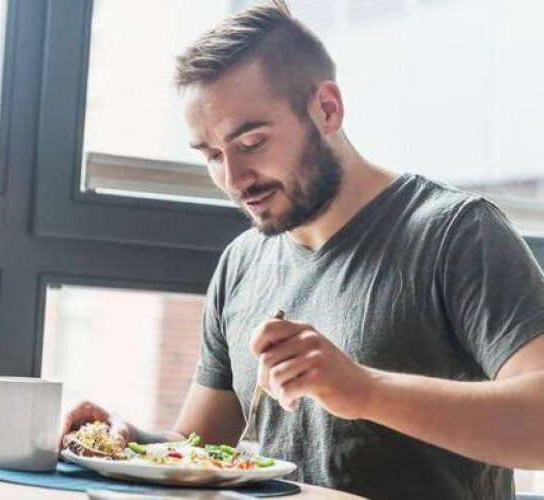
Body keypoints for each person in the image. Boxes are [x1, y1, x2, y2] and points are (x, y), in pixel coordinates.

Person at [61, 1, 544, 498]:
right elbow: (200, 445)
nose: (232, 180)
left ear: (327, 109)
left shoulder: (456, 234)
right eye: (211, 156)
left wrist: (364, 391)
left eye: (251, 142)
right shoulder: (241, 262)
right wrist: (127, 441)